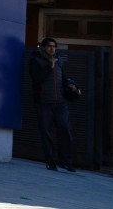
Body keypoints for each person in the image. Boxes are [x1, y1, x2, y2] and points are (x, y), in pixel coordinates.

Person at [28, 37, 79, 172]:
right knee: (47, 133)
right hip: (44, 102)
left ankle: (66, 162)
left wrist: (71, 85)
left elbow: (63, 78)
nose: (52, 49)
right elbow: (36, 79)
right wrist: (49, 67)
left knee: (65, 130)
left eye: (54, 46)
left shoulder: (59, 61)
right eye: (49, 46)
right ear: (43, 47)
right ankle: (51, 162)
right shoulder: (35, 61)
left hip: (60, 103)